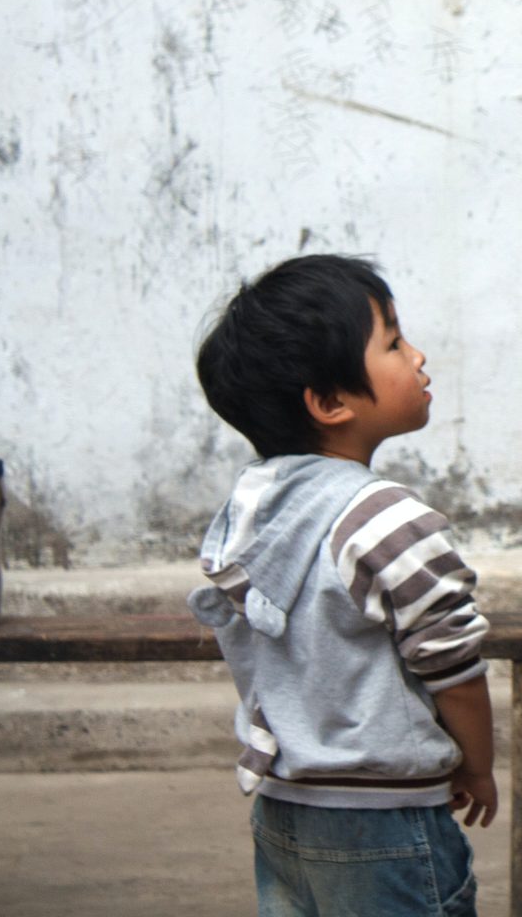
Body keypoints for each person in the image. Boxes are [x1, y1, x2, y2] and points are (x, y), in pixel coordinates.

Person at [189, 254, 495, 917]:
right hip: (385, 823)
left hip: (285, 810)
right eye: (391, 342)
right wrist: (476, 765)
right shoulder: (386, 518)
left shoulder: (251, 507)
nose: (416, 357)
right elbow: (453, 668)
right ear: (330, 403)